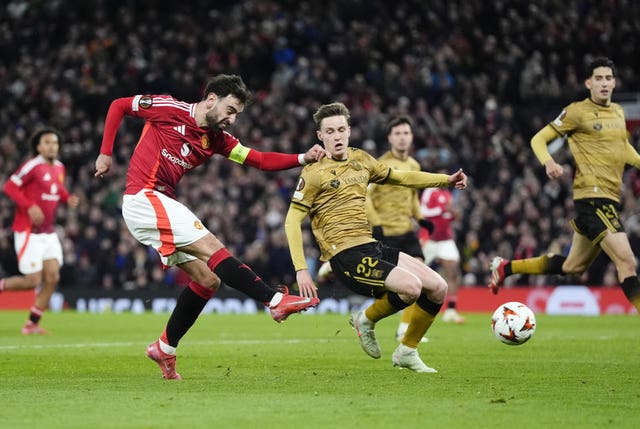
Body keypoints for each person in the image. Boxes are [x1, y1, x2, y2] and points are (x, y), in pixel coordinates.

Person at [94, 74, 325, 380]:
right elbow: (119, 105)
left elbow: (258, 159)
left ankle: (165, 348)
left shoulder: (217, 140)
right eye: (230, 110)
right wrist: (105, 153)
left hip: (158, 205)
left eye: (237, 115)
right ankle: (274, 300)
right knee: (212, 246)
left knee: (207, 281)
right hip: (144, 197)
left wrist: (302, 157)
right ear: (212, 99)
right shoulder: (168, 108)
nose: (232, 119)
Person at [284, 102, 467, 373]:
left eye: (341, 129)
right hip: (344, 255)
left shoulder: (362, 159)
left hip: (371, 245)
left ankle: (407, 351)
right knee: (411, 287)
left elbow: (401, 177)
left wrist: (445, 180)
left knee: (438, 286)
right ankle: (366, 320)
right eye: (330, 131)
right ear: (320, 136)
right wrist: (301, 270)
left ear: (349, 131)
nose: (337, 136)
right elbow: (291, 221)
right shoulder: (313, 173)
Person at [489, 56, 640, 313]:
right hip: (592, 197)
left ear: (614, 83)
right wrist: (548, 162)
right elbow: (538, 139)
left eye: (608, 78)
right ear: (588, 83)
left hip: (609, 197)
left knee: (573, 267)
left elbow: (623, 148)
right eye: (599, 78)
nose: (604, 83)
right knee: (627, 262)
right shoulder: (576, 112)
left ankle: (506, 267)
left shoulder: (617, 112)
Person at [362, 116, 437, 342]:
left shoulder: (414, 165)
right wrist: (376, 223)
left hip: (406, 231)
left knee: (420, 278)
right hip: (385, 232)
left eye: (406, 133)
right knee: (398, 288)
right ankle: (368, 317)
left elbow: (413, 195)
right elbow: (366, 196)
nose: (402, 138)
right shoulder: (380, 165)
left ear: (412, 137)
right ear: (389, 138)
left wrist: (420, 218)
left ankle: (404, 328)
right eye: (398, 134)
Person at [0, 128, 79, 334]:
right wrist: (30, 206)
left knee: (53, 277)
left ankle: (32, 324)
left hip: (48, 232)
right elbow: (9, 186)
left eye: (54, 142)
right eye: (47, 142)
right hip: (29, 231)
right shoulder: (32, 166)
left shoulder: (60, 167)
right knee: (32, 281)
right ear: (38, 146)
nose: (52, 146)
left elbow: (57, 189)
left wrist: (67, 197)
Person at [418, 186, 465, 324]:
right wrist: (443, 210)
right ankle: (406, 307)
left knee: (453, 272)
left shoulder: (447, 194)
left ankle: (451, 310)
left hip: (445, 240)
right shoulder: (429, 191)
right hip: (429, 239)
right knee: (417, 273)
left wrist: (454, 215)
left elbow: (447, 217)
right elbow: (422, 211)